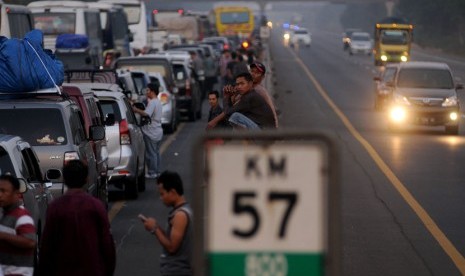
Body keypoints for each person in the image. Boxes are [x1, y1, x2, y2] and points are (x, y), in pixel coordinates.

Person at [37, 160, 115, 276]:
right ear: (86, 179)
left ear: (65, 179)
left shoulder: (55, 207)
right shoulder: (96, 206)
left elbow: (47, 246)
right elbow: (107, 244)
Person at [141, 171, 193, 276]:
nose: (161, 198)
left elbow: (172, 247)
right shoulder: (183, 211)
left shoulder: (180, 216)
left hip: (177, 271)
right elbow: (172, 239)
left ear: (172, 192)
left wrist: (155, 229)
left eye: (162, 194)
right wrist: (157, 227)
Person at [207, 72, 275, 130]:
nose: (239, 87)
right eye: (238, 84)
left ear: (250, 84)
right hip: (263, 130)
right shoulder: (248, 95)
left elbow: (228, 113)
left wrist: (226, 97)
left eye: (242, 84)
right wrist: (230, 96)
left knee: (235, 116)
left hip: (264, 133)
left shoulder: (249, 97)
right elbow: (231, 109)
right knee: (235, 115)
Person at [0, 175, 36, 276]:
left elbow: (30, 242)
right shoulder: (4, 214)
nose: (0, 195)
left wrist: (4, 236)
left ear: (16, 194)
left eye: (4, 191)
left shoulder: (22, 217)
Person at [133, 82, 164, 179]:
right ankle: (157, 171)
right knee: (156, 152)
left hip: (151, 131)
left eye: (148, 90)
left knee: (151, 153)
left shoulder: (153, 102)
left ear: (152, 91)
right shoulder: (158, 102)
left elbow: (146, 114)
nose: (146, 92)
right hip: (158, 130)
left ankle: (152, 172)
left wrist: (135, 110)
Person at [249, 62, 279, 128]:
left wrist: (276, 125)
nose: (253, 74)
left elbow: (271, 108)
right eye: (252, 71)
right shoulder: (248, 87)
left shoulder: (259, 90)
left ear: (263, 77)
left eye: (257, 73)